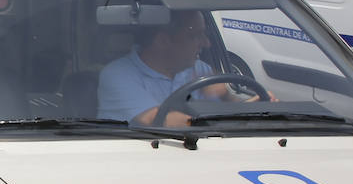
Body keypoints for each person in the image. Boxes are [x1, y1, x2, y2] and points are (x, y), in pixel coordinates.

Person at [97, 10, 247, 126]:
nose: (206, 43)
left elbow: (228, 112)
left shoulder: (200, 69)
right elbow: (158, 119)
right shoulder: (118, 75)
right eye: (195, 36)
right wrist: (221, 123)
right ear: (163, 40)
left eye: (205, 34)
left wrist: (228, 97)